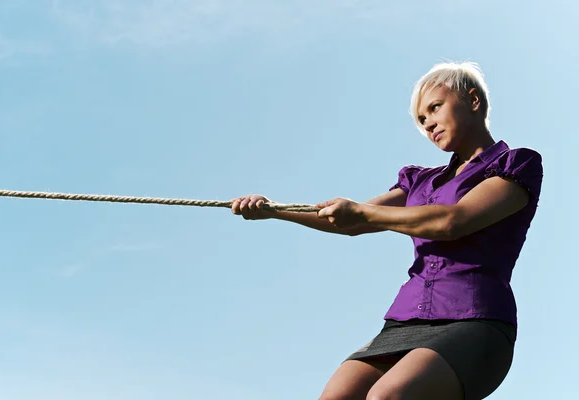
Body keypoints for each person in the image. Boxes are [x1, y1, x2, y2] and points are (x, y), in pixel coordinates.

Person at [230, 61, 543, 400]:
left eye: (434, 108)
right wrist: (274, 211)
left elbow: (452, 221)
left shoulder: (517, 164)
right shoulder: (420, 181)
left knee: (387, 396)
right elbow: (352, 221)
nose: (428, 124)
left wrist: (362, 211)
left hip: (475, 320)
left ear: (473, 100)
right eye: (421, 120)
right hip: (404, 322)